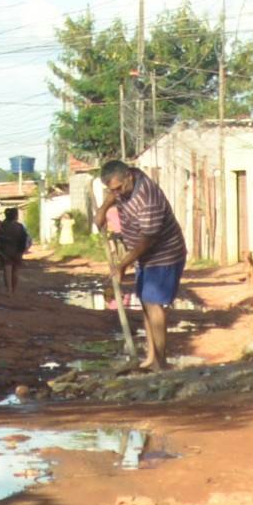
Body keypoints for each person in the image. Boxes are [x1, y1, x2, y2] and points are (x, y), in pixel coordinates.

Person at [98, 158, 187, 370]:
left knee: (154, 303)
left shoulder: (148, 199)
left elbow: (147, 240)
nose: (117, 193)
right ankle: (151, 358)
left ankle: (160, 362)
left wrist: (122, 265)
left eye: (119, 188)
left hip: (163, 254)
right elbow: (113, 194)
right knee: (146, 303)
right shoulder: (128, 179)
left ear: (129, 177)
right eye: (112, 190)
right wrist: (102, 210)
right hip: (144, 256)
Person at [0, 208, 31, 297]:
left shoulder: (3, 226)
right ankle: (13, 290)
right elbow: (25, 238)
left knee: (7, 271)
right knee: (15, 271)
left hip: (5, 251)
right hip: (17, 251)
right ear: (15, 216)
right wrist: (24, 249)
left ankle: (8, 290)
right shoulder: (20, 226)